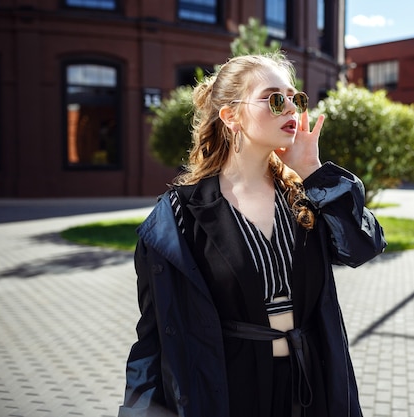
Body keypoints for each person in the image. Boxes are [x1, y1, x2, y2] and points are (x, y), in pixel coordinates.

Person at [119, 52, 386, 417]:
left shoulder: (307, 196)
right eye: (275, 98)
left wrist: (312, 171)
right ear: (231, 116)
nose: (290, 108)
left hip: (313, 387)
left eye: (296, 98)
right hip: (230, 391)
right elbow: (155, 337)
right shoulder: (180, 216)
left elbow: (363, 247)